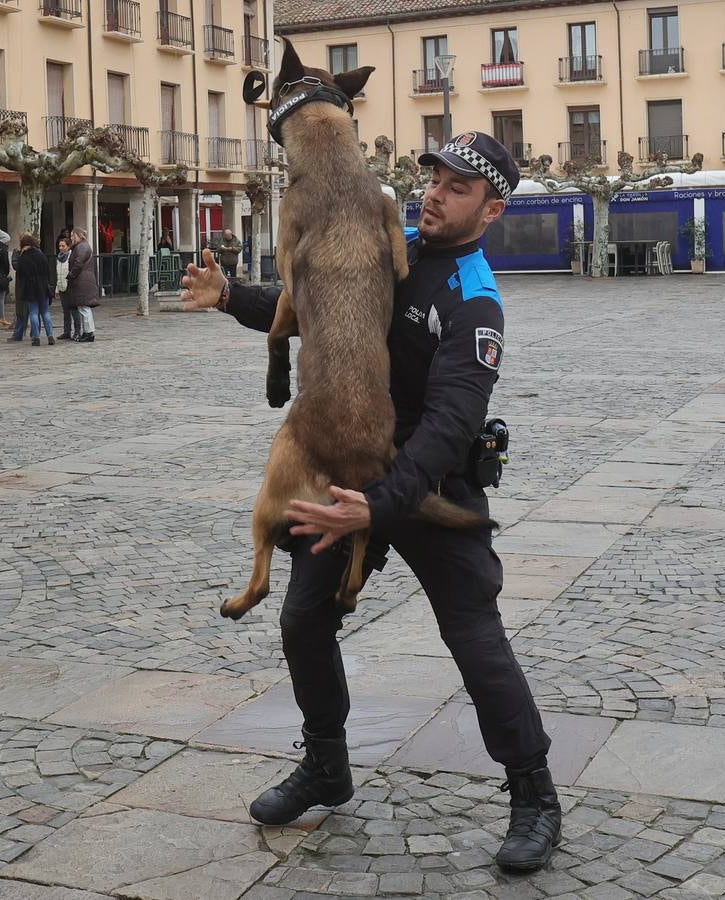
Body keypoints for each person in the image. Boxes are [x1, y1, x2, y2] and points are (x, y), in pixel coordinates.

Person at [180, 132, 561, 872]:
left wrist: (378, 506)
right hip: (347, 466)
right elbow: (315, 310)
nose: (435, 194)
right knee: (302, 619)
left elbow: (452, 424)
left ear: (491, 210)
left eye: (456, 188)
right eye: (434, 179)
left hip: (425, 486)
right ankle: (326, 764)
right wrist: (231, 298)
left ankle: (534, 795)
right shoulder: (395, 251)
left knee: (475, 640)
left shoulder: (474, 300)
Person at [14, 233, 54, 347]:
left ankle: (36, 337)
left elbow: (20, 274)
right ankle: (50, 335)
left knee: (33, 313)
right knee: (45, 312)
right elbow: (48, 271)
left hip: (30, 288)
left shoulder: (23, 257)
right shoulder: (41, 255)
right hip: (43, 286)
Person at [67, 227, 98, 342]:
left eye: (72, 236)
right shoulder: (82, 246)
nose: (71, 238)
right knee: (83, 307)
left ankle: (89, 332)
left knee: (84, 308)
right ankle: (87, 332)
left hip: (82, 281)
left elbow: (78, 263)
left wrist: (71, 274)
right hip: (83, 280)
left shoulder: (82, 247)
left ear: (78, 235)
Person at [55, 237, 78, 340]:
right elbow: (58, 273)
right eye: (59, 245)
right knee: (65, 311)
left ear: (68, 246)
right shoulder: (59, 258)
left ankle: (77, 331)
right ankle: (67, 331)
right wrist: (57, 288)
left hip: (70, 286)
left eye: (63, 246)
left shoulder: (71, 256)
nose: (61, 248)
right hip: (61, 286)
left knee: (74, 310)